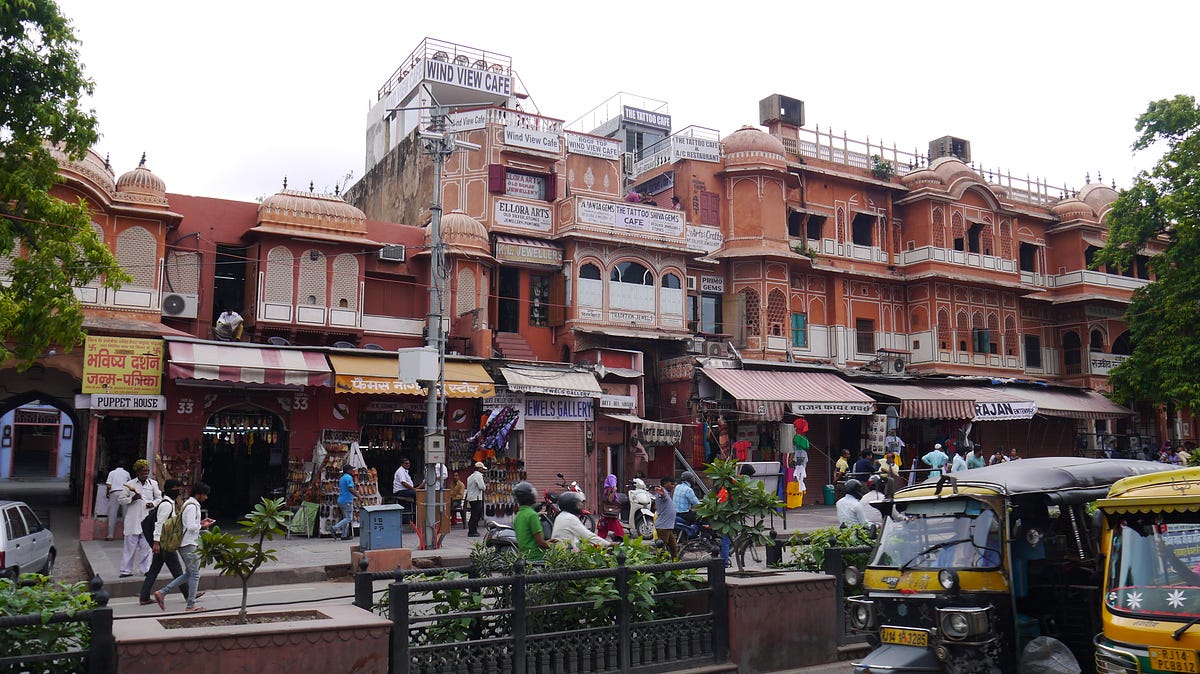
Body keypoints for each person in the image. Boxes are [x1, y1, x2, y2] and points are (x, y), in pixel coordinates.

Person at [154, 482, 215, 612]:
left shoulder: (189, 504)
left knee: (189, 573)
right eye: (205, 495)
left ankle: (162, 592)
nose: (206, 498)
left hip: (187, 543)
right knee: (195, 574)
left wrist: (200, 523)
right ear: (199, 494)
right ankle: (191, 604)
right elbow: (190, 526)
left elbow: (189, 523)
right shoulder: (192, 506)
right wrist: (202, 526)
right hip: (188, 543)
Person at [138, 479, 193, 606]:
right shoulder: (166, 505)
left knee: (154, 570)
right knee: (177, 570)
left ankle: (144, 596)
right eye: (176, 489)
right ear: (169, 490)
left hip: (162, 543)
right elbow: (160, 524)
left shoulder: (169, 503)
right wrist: (156, 543)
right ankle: (189, 594)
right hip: (164, 543)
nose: (178, 491)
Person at [117, 459, 161, 577]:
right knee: (129, 548)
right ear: (137, 472)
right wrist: (132, 499)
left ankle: (146, 570)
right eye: (143, 471)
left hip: (147, 519)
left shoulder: (153, 484)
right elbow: (121, 500)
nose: (146, 473)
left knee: (146, 547)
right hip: (133, 520)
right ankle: (126, 570)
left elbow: (159, 498)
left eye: (147, 471)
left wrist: (153, 503)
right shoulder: (130, 484)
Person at [512, 481, 551, 560]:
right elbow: (540, 543)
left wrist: (549, 541)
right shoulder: (532, 515)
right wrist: (553, 547)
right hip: (536, 558)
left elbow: (527, 539)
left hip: (524, 557)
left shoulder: (518, 515)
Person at [104, 460, 130, 541]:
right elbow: (129, 484)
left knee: (112, 514)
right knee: (126, 515)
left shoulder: (112, 473)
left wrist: (107, 493)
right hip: (124, 493)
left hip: (114, 493)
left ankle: (110, 535)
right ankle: (127, 535)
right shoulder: (126, 473)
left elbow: (109, 485)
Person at [331, 464, 359, 541]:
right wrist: (358, 496)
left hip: (341, 499)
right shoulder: (349, 478)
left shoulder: (342, 478)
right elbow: (350, 488)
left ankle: (344, 535)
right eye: (351, 469)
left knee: (345, 517)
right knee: (348, 518)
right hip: (347, 500)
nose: (353, 471)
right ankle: (334, 528)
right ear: (348, 470)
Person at [653, 476, 678, 558]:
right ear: (665, 484)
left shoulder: (667, 493)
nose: (673, 486)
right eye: (671, 484)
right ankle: (659, 564)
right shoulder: (662, 493)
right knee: (661, 549)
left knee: (674, 548)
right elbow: (662, 495)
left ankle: (675, 563)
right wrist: (661, 493)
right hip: (663, 527)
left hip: (668, 527)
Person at [596, 474, 625, 541]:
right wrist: (613, 490)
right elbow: (610, 500)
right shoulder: (609, 489)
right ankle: (620, 545)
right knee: (619, 532)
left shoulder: (606, 489)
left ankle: (597, 546)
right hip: (611, 515)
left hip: (606, 515)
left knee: (602, 533)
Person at [466, 461, 486, 537]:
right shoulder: (478, 476)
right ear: (479, 468)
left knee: (473, 514)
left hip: (471, 498)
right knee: (476, 514)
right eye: (482, 469)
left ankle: (472, 529)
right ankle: (472, 530)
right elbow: (482, 487)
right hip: (477, 497)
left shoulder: (470, 476)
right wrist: (485, 487)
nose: (483, 470)